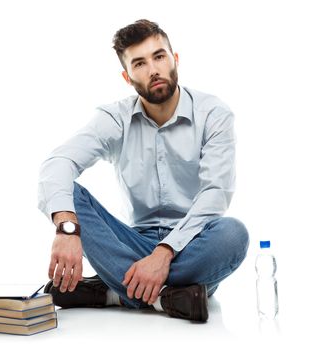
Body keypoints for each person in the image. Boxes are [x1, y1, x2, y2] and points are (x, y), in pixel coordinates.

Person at [38, 19, 249, 322]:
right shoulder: (115, 118)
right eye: (140, 63)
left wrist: (164, 254)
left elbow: (215, 196)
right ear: (127, 76)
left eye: (159, 57)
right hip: (131, 242)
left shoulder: (213, 115)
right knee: (67, 195)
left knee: (233, 235)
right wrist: (66, 229)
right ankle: (169, 298)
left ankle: (115, 290)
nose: (153, 70)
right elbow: (57, 164)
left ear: (174, 59)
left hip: (193, 244)